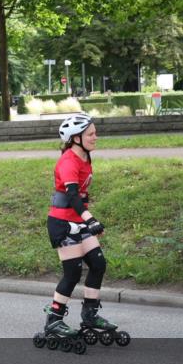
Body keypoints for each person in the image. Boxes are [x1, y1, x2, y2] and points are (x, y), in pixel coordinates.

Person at [44, 113, 116, 339]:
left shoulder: (85, 157)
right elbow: (73, 196)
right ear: (76, 138)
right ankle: (54, 321)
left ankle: (90, 314)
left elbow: (81, 198)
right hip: (63, 223)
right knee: (72, 273)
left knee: (98, 263)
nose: (96, 137)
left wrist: (86, 220)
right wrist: (90, 219)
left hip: (78, 219)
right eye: (91, 134)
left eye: (95, 133)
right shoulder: (68, 161)